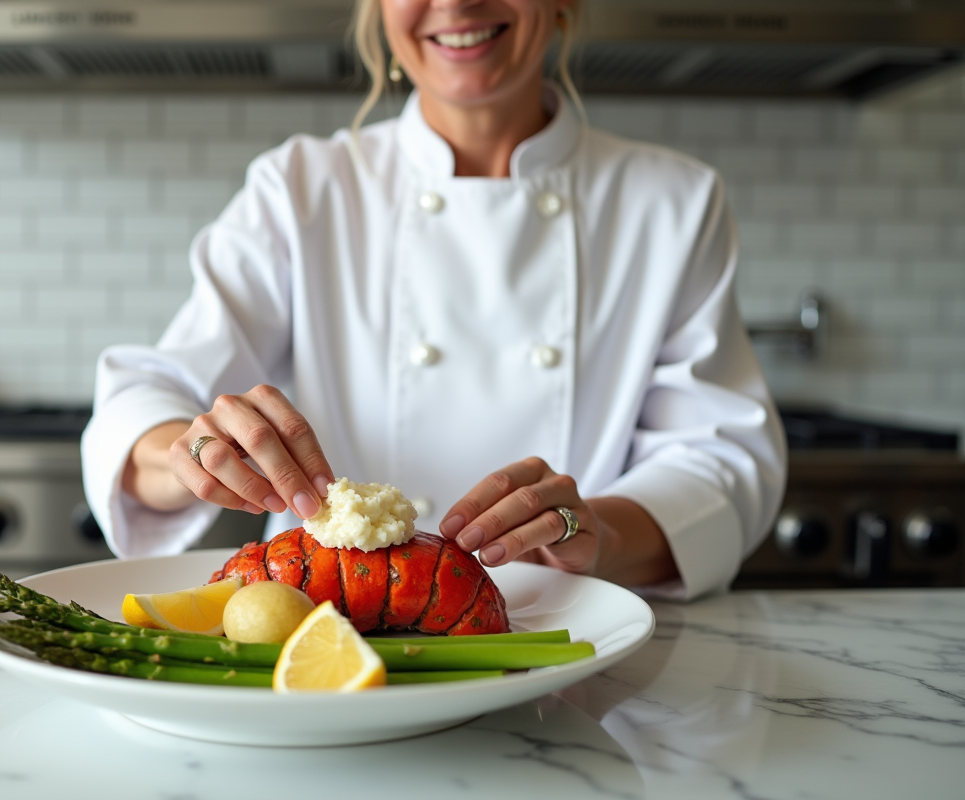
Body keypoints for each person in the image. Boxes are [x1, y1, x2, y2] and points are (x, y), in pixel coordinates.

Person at [81, 0, 787, 600]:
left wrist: (596, 532)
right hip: (326, 635)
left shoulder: (673, 203)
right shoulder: (301, 187)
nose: (456, 3)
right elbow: (147, 397)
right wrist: (195, 453)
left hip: (569, 638)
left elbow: (722, 461)